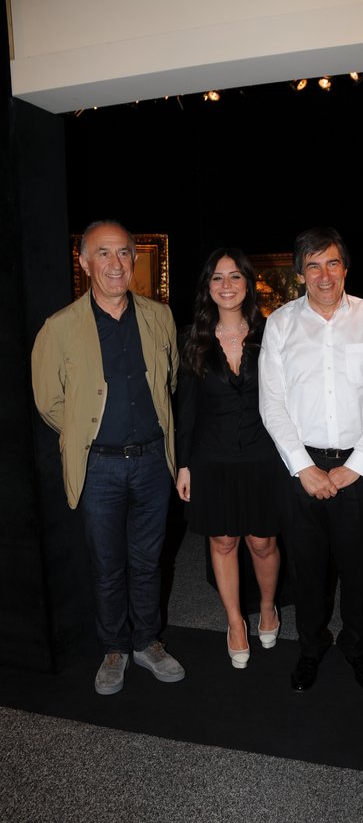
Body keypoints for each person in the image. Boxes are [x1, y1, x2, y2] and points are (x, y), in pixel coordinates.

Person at [31, 219, 185, 695]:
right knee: (107, 563)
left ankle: (146, 641)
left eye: (122, 253)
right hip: (99, 466)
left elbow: (170, 380)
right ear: (83, 261)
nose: (115, 263)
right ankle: (114, 647)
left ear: (133, 260)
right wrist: (87, 429)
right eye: (103, 253)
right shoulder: (59, 327)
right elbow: (48, 400)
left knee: (148, 560)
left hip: (152, 463)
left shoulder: (160, 316)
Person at [258, 226, 363, 692]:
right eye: (313, 266)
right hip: (301, 468)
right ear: (300, 274)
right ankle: (311, 647)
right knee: (307, 568)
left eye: (332, 263)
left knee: (359, 568)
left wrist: (357, 465)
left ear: (345, 268)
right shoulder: (280, 324)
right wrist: (304, 467)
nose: (324, 275)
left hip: (359, 466)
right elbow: (271, 403)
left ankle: (357, 646)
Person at [175, 248, 281, 669]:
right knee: (222, 541)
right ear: (208, 286)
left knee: (262, 541)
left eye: (235, 276)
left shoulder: (272, 332)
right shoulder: (193, 338)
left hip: (262, 455)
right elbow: (186, 407)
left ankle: (268, 606)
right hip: (212, 458)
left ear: (248, 283)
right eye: (217, 277)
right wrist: (184, 465)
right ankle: (235, 622)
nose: (226, 285)